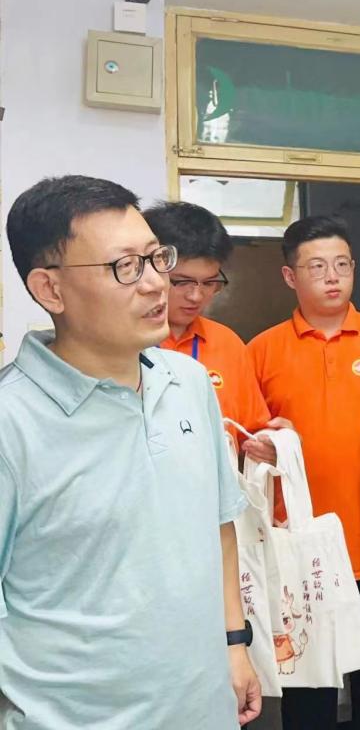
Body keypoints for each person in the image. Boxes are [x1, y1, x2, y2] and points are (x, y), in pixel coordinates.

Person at [0, 175, 260, 728]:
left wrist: (234, 643)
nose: (155, 284)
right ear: (50, 289)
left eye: (156, 258)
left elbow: (219, 527)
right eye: (125, 267)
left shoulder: (189, 382)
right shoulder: (11, 421)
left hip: (203, 708)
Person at [247, 215, 360, 729]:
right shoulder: (262, 350)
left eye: (342, 264)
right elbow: (246, 444)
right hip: (299, 551)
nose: (333, 276)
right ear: (289, 276)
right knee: (309, 691)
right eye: (317, 267)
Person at [144, 201, 285, 457]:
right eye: (181, 282)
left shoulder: (227, 343)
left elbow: (250, 434)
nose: (196, 296)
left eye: (209, 283)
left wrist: (276, 443)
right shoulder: (120, 342)